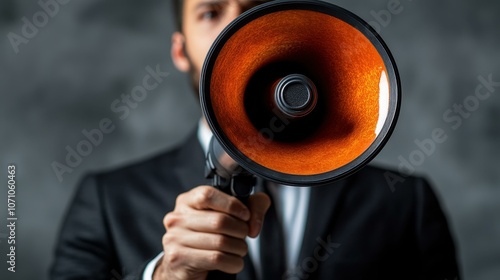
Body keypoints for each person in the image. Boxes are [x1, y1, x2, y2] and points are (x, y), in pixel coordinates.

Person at [50, 1, 461, 279]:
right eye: (211, 12)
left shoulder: (405, 202)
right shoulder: (108, 200)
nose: (235, 28)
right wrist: (162, 276)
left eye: (253, 10)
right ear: (180, 51)